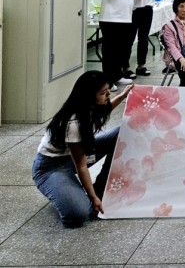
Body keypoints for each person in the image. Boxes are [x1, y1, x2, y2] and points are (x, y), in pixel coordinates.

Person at [32, 71, 132, 228]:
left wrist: (123, 96)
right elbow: (81, 166)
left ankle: (101, 188)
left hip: (73, 156)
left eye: (108, 90)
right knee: (77, 214)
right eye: (103, 93)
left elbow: (105, 109)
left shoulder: (88, 107)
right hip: (51, 167)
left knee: (121, 133)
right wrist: (93, 198)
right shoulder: (74, 123)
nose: (108, 95)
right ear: (89, 96)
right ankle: (64, 190)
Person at [100, 0, 140, 88]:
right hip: (110, 18)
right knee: (109, 52)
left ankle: (117, 76)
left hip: (126, 18)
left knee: (121, 51)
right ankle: (108, 82)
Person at [130, 0, 166, 77]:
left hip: (148, 8)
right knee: (130, 39)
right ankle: (125, 68)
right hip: (135, 9)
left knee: (144, 38)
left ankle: (141, 66)